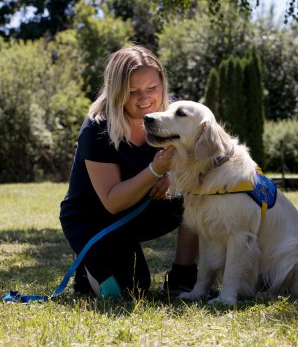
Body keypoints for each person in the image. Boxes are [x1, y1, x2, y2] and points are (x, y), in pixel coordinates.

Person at [59, 45, 198, 299]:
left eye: (152, 88)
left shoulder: (174, 114)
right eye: (133, 91)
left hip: (142, 206)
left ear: (162, 83)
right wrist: (157, 170)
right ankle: (87, 262)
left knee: (199, 195)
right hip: (95, 218)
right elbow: (113, 202)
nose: (145, 99)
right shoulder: (97, 128)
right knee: (130, 291)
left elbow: (196, 161)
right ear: (116, 91)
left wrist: (171, 177)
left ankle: (183, 277)